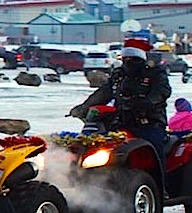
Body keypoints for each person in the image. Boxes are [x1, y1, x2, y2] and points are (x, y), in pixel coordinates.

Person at [69, 39, 172, 168]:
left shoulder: (155, 74)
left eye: (132, 58)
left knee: (153, 150)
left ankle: (161, 184)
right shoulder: (119, 75)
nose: (128, 62)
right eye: (125, 58)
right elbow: (103, 93)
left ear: (140, 58)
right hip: (120, 123)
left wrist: (145, 103)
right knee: (96, 145)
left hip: (148, 124)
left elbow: (161, 92)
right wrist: (84, 107)